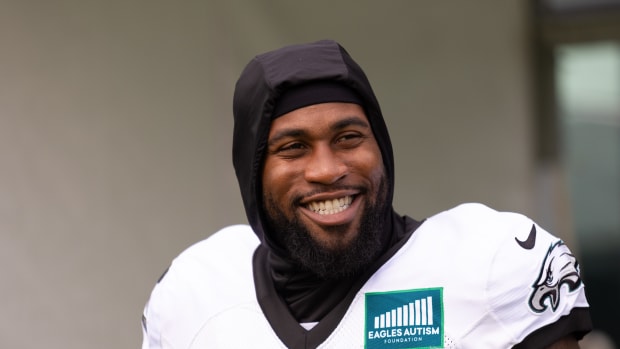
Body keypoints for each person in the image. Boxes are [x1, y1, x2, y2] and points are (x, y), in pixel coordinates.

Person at [141, 39, 592, 348]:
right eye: (293, 148)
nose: (328, 170)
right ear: (252, 172)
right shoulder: (194, 290)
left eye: (348, 137)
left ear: (381, 146)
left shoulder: (488, 263)